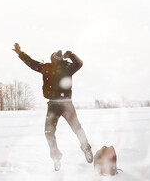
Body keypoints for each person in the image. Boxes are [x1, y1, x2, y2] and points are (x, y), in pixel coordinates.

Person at [12, 43, 93, 171]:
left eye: (60, 56)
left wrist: (71, 54)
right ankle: (56, 157)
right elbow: (31, 63)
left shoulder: (67, 67)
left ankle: (86, 148)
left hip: (66, 104)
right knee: (49, 132)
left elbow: (79, 63)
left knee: (76, 128)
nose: (58, 57)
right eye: (57, 55)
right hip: (53, 104)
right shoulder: (47, 68)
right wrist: (20, 53)